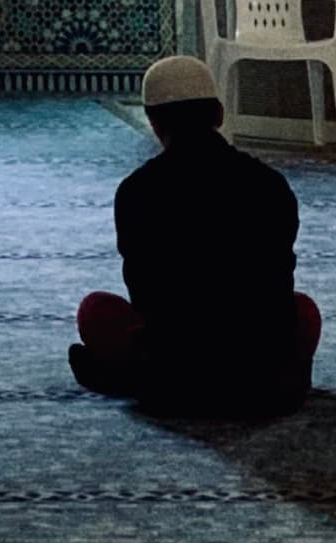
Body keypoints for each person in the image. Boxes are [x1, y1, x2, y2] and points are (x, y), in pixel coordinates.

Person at [69, 52, 322, 416]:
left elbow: (144, 295)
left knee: (96, 310)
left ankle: (125, 376)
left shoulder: (137, 192)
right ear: (219, 114)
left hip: (174, 382)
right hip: (268, 384)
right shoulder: (269, 185)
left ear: (154, 123)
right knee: (303, 310)